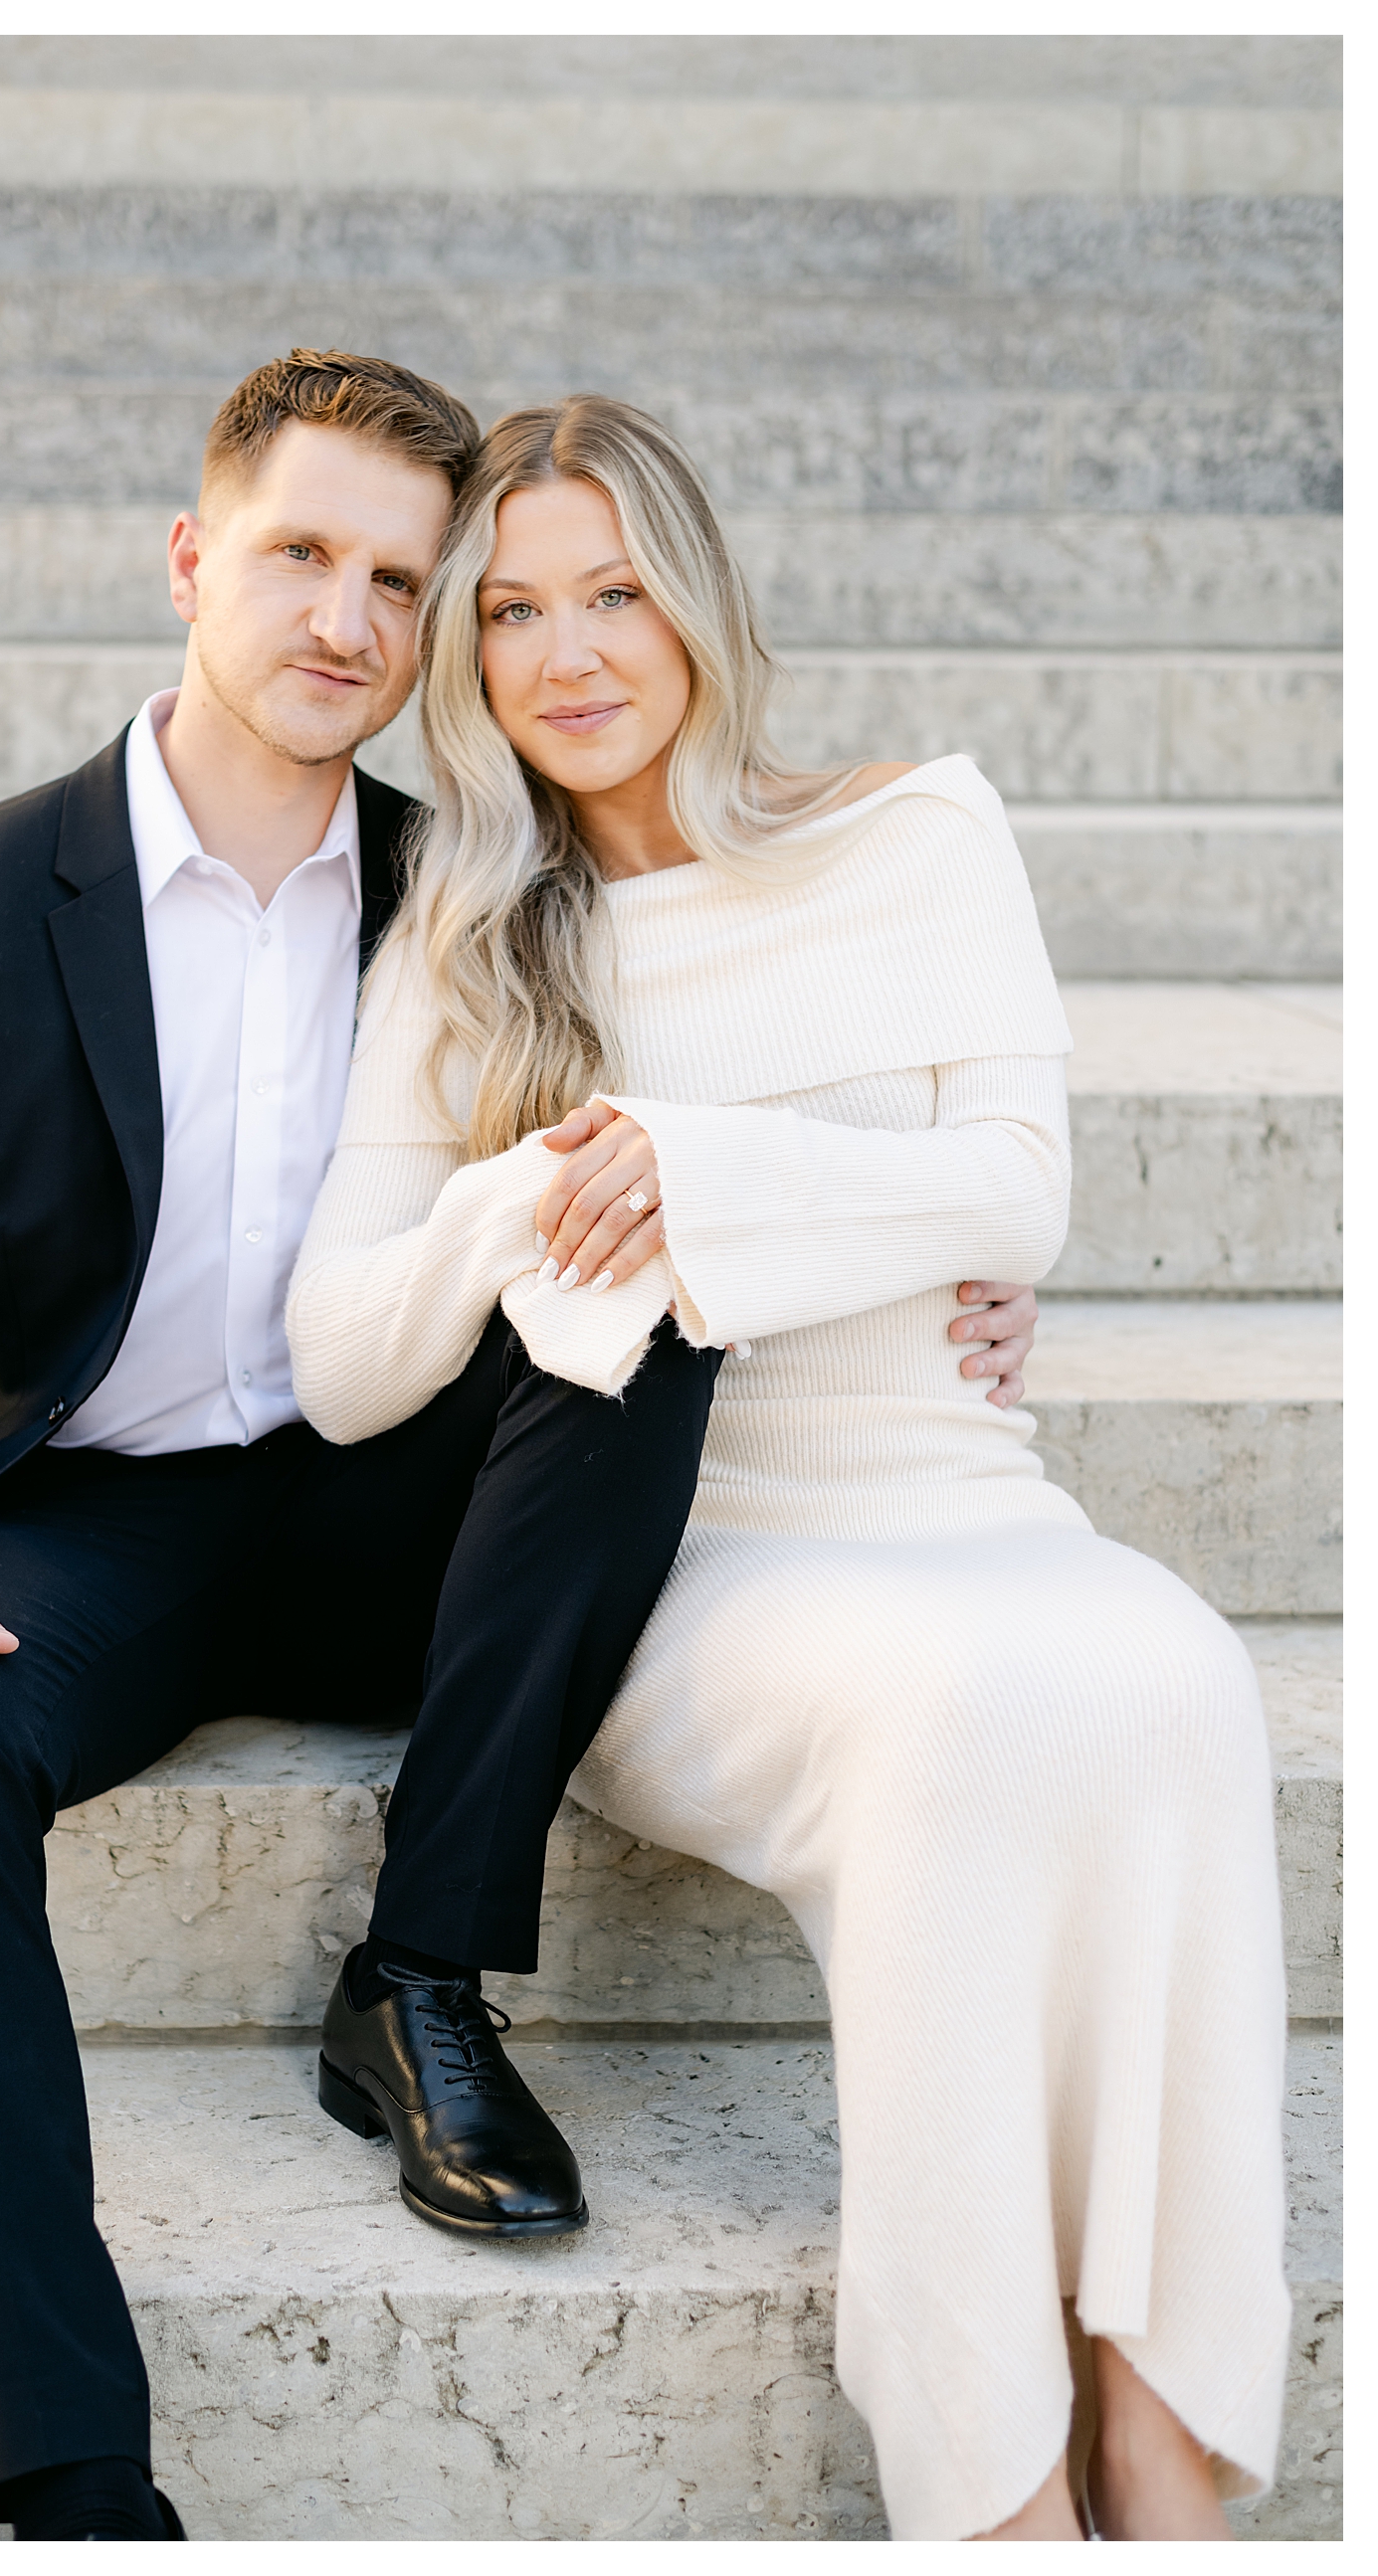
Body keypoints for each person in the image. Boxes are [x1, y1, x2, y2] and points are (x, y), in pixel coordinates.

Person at [0, 350, 1042, 2540]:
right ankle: (66, 2472)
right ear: (192, 558)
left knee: (631, 1286)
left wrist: (947, 1259)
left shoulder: (487, 882)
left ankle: (416, 1977)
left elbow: (760, 1114)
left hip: (414, 1502)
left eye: (399, 582)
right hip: (90, 1521)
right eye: (299, 556)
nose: (345, 619)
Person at [284, 393, 1284, 2542]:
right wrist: (536, 1193)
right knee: (946, 1720)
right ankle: (996, 2479)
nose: (567, 657)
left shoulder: (918, 836)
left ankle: (1152, 2418)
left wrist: (712, 1173)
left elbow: (1014, 1189)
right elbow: (342, 1359)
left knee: (1175, 1676)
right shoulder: (470, 937)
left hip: (963, 1491)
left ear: (701, 604)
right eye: (511, 612)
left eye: (614, 595)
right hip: (687, 1562)